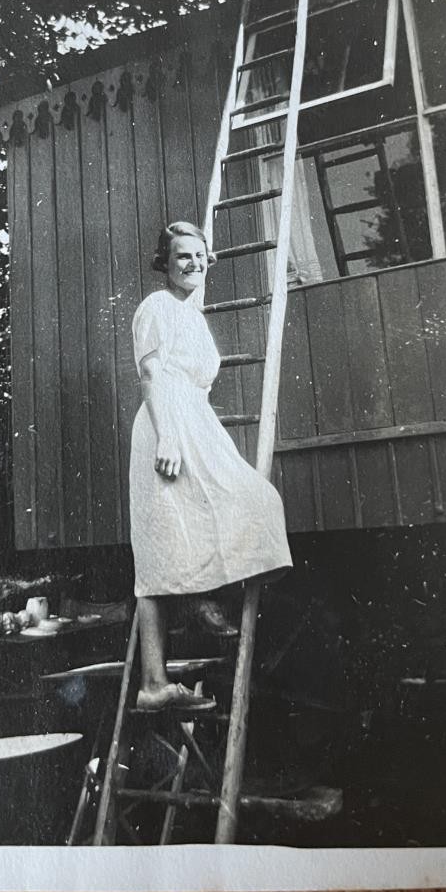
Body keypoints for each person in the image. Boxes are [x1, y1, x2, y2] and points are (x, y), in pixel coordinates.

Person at [130, 220, 292, 712]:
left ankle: (205, 601)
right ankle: (153, 683)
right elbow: (151, 374)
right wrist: (170, 436)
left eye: (200, 256)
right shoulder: (155, 307)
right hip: (168, 426)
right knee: (160, 548)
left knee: (255, 503)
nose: (194, 264)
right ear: (166, 262)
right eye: (183, 256)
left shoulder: (193, 315)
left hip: (196, 420)